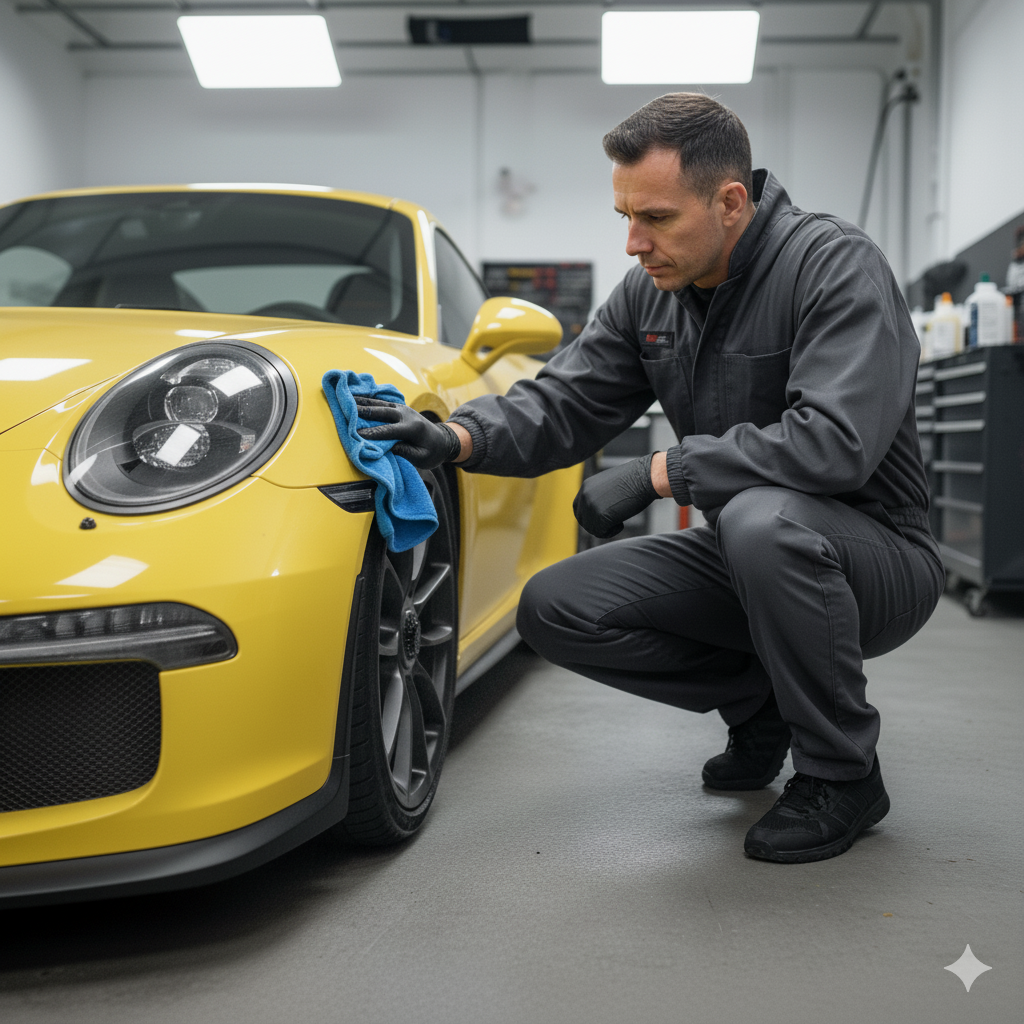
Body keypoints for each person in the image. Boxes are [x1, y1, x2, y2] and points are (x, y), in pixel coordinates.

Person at [356, 93, 945, 864]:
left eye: (657, 218)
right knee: (557, 607)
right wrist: (454, 435)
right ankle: (759, 703)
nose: (635, 242)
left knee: (762, 519)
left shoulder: (833, 265)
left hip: (877, 559)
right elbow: (565, 400)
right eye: (625, 217)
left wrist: (664, 470)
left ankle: (844, 774)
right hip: (752, 551)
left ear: (730, 202)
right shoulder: (651, 294)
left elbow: (835, 444)